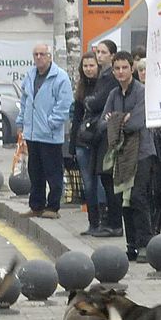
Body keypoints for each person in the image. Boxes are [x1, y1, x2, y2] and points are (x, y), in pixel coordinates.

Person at [101, 51, 156, 262]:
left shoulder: (141, 92)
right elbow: (103, 123)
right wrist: (119, 119)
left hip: (142, 151)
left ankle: (146, 244)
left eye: (125, 67)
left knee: (138, 197)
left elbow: (136, 123)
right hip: (122, 154)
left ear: (131, 68)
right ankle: (131, 245)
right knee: (125, 200)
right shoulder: (114, 94)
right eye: (117, 68)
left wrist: (116, 120)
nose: (121, 72)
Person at [15, 43, 73, 219]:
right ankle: (36, 205)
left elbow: (64, 104)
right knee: (35, 172)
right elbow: (25, 100)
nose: (39, 57)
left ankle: (53, 207)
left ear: (49, 56)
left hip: (50, 135)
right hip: (33, 134)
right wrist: (21, 122)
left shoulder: (60, 77)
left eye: (42, 54)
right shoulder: (30, 75)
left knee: (53, 172)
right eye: (36, 54)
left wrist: (51, 123)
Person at [82, 39, 123, 237]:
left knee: (109, 180)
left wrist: (89, 101)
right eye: (97, 52)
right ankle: (109, 221)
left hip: (108, 133)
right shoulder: (103, 75)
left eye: (103, 53)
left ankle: (114, 223)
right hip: (102, 134)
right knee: (105, 180)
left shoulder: (109, 77)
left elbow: (98, 102)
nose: (99, 56)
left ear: (112, 55)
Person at [70, 52, 106, 235]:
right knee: (88, 184)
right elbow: (76, 119)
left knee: (100, 183)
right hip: (82, 143)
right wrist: (72, 146)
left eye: (91, 65)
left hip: (98, 142)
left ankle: (103, 222)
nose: (88, 69)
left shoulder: (103, 86)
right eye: (85, 66)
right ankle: (93, 223)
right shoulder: (81, 89)